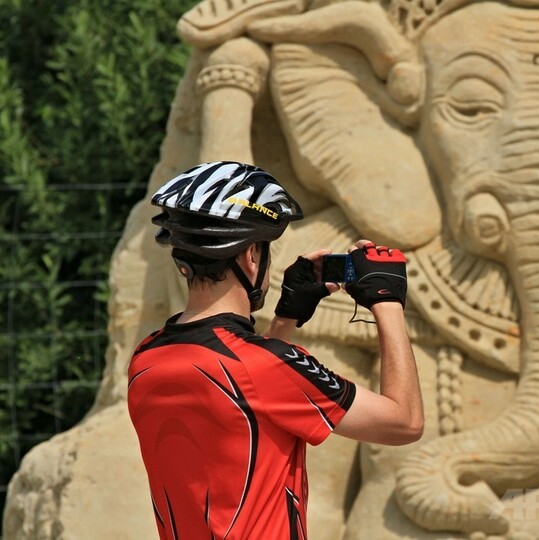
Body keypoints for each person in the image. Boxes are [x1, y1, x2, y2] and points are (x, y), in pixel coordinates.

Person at [127, 161, 423, 540]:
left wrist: (287, 317)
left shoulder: (147, 357)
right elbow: (405, 422)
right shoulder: (263, 365)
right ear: (251, 255)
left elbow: (250, 406)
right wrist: (387, 302)